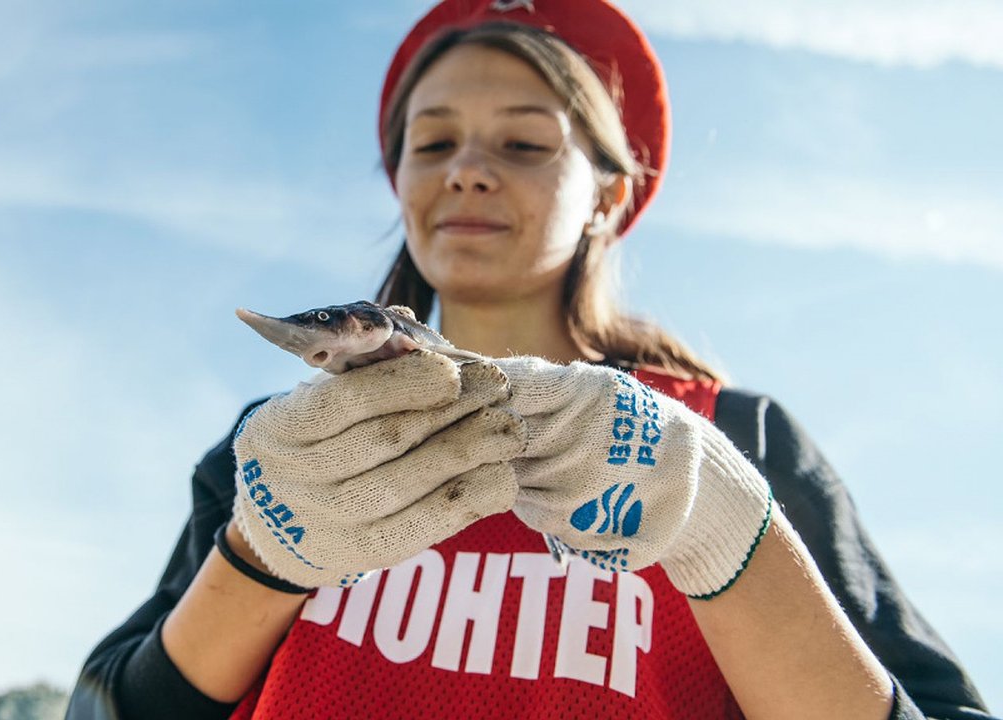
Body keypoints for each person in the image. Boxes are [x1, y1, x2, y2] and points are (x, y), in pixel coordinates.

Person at [66, 1, 993, 718]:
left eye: (523, 142)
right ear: (402, 184)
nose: (467, 168)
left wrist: (720, 523)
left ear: (609, 196)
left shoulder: (738, 436)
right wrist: (260, 555)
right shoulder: (283, 447)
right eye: (434, 142)